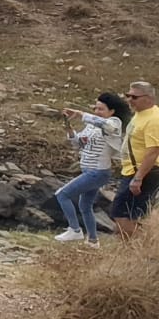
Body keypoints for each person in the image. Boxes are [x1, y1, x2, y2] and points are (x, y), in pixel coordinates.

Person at [55, 92, 128, 245]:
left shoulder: (114, 123)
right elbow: (80, 143)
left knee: (62, 195)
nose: (96, 112)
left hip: (98, 171)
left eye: (101, 109)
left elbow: (105, 125)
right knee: (85, 205)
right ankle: (93, 241)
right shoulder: (91, 125)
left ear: (112, 111)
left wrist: (82, 114)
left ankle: (74, 230)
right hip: (88, 169)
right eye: (95, 108)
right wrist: (69, 129)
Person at [107, 81, 159, 238]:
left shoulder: (154, 119)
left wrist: (138, 178)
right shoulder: (139, 114)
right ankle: (128, 250)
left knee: (120, 213)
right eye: (128, 95)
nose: (129, 99)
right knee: (130, 215)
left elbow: (153, 150)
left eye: (134, 97)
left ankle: (143, 248)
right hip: (132, 170)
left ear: (148, 98)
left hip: (144, 172)